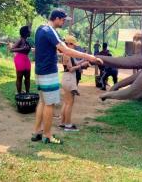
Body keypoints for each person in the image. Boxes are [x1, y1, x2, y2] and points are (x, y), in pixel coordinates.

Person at [32, 8, 102, 144]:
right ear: (57, 18)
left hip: (39, 71)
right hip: (48, 73)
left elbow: (49, 50)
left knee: (42, 102)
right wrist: (89, 57)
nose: (64, 22)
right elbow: (66, 50)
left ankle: (36, 132)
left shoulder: (40, 29)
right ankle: (47, 135)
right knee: (49, 104)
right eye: (63, 20)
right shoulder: (50, 31)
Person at [59, 35, 90, 132]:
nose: (74, 47)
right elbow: (71, 69)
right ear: (68, 44)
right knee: (70, 103)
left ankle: (63, 122)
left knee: (66, 102)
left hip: (67, 78)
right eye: (72, 44)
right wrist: (82, 65)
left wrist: (84, 60)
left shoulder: (68, 54)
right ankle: (68, 125)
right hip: (69, 78)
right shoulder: (67, 54)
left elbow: (75, 64)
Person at [10, 26, 32, 94]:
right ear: (25, 32)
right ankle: (19, 94)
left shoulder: (26, 41)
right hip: (20, 59)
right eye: (29, 30)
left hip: (26, 59)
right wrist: (21, 49)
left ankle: (27, 93)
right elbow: (11, 49)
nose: (30, 31)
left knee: (27, 77)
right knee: (19, 77)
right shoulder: (20, 40)